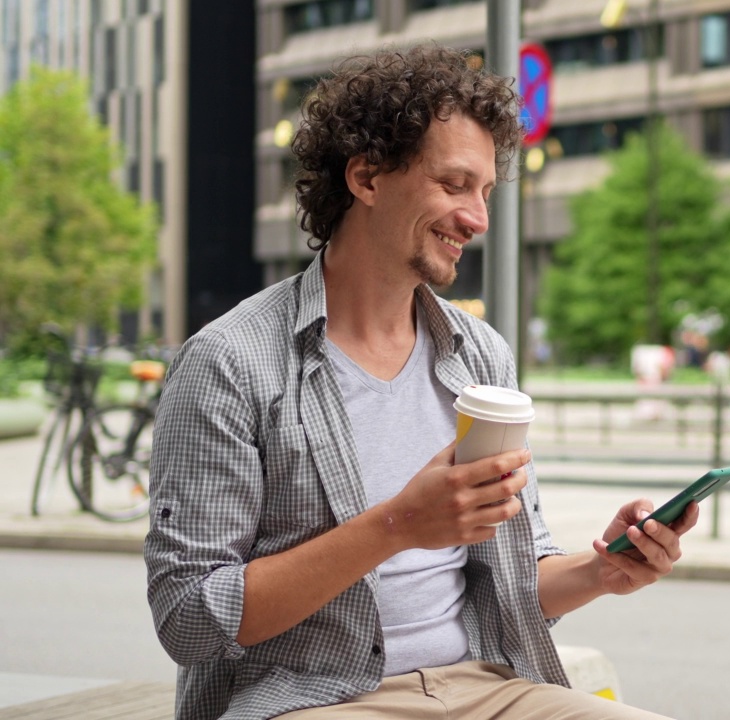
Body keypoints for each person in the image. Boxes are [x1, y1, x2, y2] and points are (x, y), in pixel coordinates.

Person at [143, 45, 698, 720]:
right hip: (316, 700)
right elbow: (189, 621)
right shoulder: (229, 362)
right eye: (454, 184)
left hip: (486, 685)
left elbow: (512, 585)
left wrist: (602, 570)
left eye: (486, 192)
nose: (478, 219)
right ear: (367, 178)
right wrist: (400, 524)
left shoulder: (479, 355)